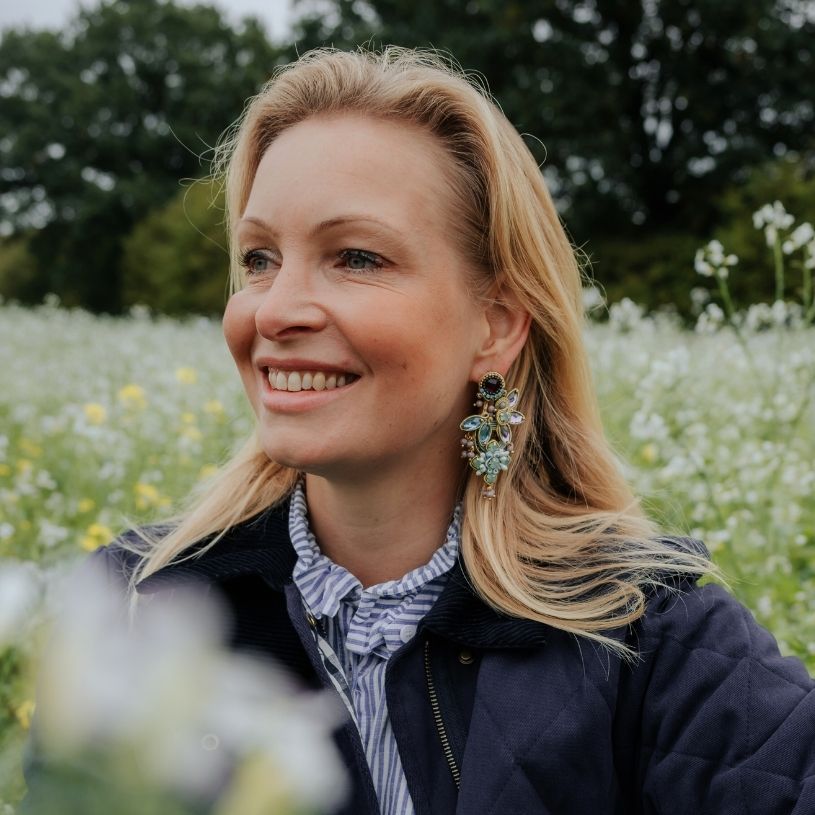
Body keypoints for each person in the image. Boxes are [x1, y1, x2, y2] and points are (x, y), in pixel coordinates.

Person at [21, 46, 815, 814]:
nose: (274, 308)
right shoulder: (141, 617)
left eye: (356, 257)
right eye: (259, 258)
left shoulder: (647, 639)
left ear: (495, 326)